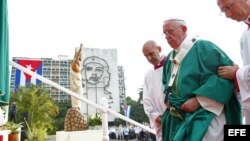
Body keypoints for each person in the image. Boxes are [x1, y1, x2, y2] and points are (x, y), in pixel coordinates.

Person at [161, 17, 241, 141]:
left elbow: (227, 76)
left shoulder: (203, 47)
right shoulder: (170, 58)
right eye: (164, 33)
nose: (166, 36)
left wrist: (199, 100)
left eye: (170, 31)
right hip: (177, 118)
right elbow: (166, 84)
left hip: (204, 116)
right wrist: (167, 99)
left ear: (183, 29)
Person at [217, 0, 250, 124]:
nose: (227, 15)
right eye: (223, 11)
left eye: (228, 7)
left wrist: (237, 73)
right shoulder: (244, 36)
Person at [142, 40, 166, 141]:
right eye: (146, 56)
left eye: (151, 53)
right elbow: (146, 100)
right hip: (161, 122)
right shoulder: (148, 74)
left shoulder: (175, 64)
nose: (149, 58)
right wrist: (157, 117)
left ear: (159, 49)